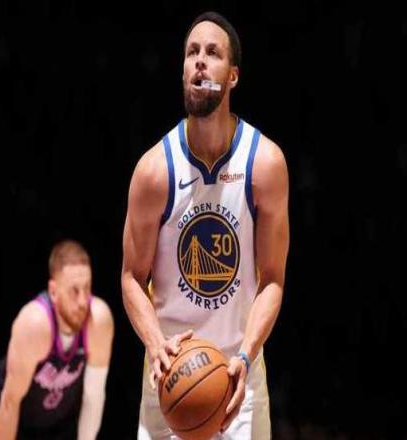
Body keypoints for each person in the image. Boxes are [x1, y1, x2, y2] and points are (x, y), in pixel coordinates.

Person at [121, 10, 289, 440]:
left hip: (238, 374)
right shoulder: (154, 171)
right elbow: (131, 277)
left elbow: (272, 279)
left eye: (212, 53)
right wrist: (155, 344)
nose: (199, 60)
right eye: (191, 52)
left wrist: (246, 356)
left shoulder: (265, 164)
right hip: (170, 376)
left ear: (232, 76)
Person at [0, 239, 114, 440]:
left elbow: (93, 398)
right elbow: (10, 403)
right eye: (74, 291)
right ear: (53, 291)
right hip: (10, 416)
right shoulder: (34, 325)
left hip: (55, 423)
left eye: (87, 288)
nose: (82, 301)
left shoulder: (99, 321)